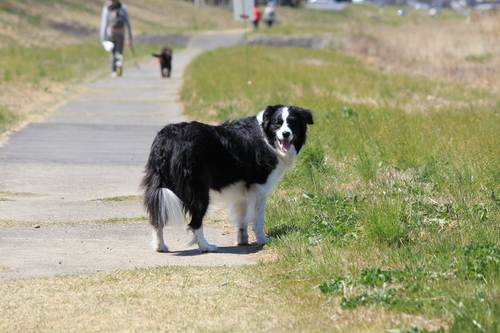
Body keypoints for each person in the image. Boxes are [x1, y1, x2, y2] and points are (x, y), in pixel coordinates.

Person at [100, 0, 133, 77]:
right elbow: (127, 22)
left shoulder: (107, 7)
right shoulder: (122, 7)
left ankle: (114, 71)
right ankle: (119, 62)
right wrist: (130, 36)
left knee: (113, 52)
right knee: (119, 51)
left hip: (111, 33)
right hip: (121, 33)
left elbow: (104, 23)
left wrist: (103, 39)